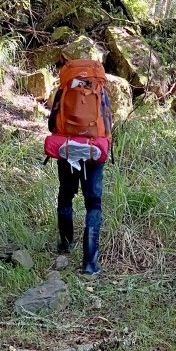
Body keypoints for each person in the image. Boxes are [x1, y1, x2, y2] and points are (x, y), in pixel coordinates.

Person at [47, 64, 112, 275]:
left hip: (67, 149)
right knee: (93, 202)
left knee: (66, 195)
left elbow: (51, 124)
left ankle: (65, 244)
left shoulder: (65, 89)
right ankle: (90, 263)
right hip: (93, 151)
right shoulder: (99, 90)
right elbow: (108, 122)